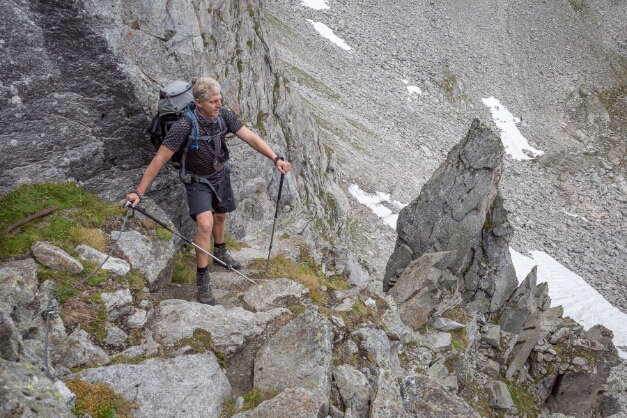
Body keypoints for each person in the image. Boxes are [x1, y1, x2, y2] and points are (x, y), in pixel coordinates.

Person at [125, 77, 291, 305]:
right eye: (214, 101)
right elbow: (160, 159)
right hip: (196, 181)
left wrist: (276, 158)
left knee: (221, 215)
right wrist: (138, 192)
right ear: (199, 102)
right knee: (205, 225)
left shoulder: (224, 116)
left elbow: (250, 137)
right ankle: (202, 279)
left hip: (220, 173)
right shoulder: (183, 125)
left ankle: (220, 253)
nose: (219, 104)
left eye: (220, 99)